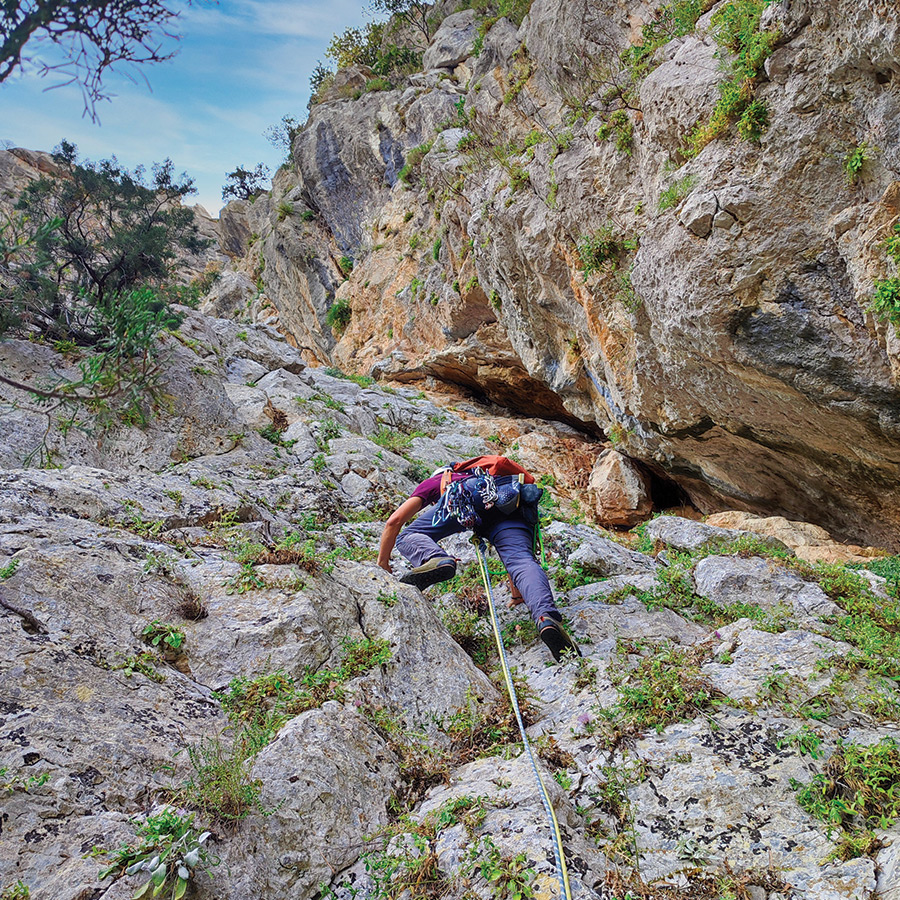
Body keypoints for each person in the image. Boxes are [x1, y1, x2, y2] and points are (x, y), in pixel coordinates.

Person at [377, 465, 580, 661]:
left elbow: (395, 521)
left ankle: (435, 558)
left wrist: (383, 563)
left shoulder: (440, 480)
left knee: (408, 536)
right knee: (522, 561)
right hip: (510, 501)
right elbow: (515, 564)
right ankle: (546, 618)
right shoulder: (490, 477)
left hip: (468, 494)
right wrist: (517, 595)